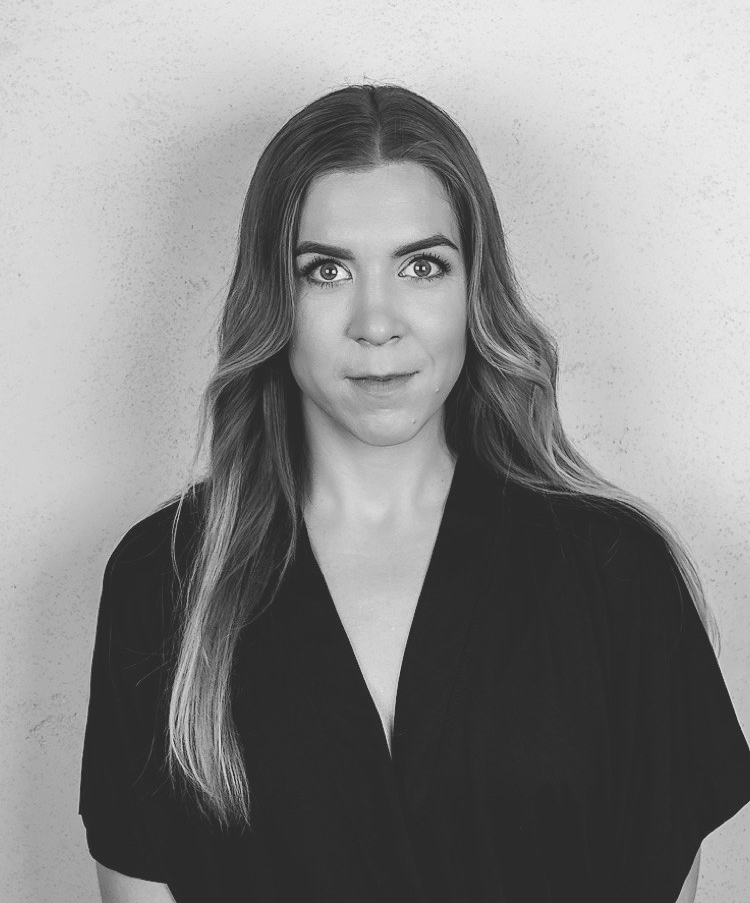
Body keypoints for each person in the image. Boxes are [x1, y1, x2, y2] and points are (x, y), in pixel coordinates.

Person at [78, 84, 750, 903]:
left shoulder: (615, 571)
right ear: (274, 298)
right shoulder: (164, 579)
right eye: (326, 270)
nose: (376, 322)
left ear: (474, 291)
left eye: (421, 265)